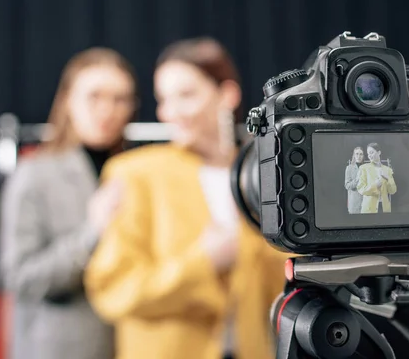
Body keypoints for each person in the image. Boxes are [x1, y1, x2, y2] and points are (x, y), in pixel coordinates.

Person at [84, 37, 288, 359]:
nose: (170, 112)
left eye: (186, 95)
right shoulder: (135, 173)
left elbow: (280, 285)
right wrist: (202, 262)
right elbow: (115, 289)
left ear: (227, 94)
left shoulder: (260, 175)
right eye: (164, 99)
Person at [0, 47, 138, 359]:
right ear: (68, 100)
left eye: (120, 99)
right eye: (95, 96)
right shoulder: (33, 174)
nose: (107, 109)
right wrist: (92, 233)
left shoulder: (136, 172)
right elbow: (17, 276)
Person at [357, 142, 397, 213]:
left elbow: (392, 191)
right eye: (368, 153)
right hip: (369, 209)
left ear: (379, 152)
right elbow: (360, 189)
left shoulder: (388, 170)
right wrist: (375, 185)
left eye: (371, 152)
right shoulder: (363, 168)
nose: (369, 155)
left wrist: (388, 178)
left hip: (384, 209)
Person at [344, 146, 365, 213]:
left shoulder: (366, 168)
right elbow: (347, 186)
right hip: (354, 204)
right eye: (357, 154)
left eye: (361, 154)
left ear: (363, 156)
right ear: (354, 155)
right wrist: (357, 179)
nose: (359, 156)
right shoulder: (349, 168)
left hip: (366, 203)